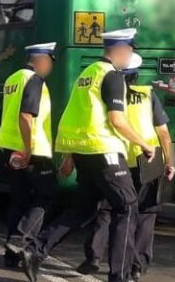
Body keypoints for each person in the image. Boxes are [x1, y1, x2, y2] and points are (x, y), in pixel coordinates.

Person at [20, 28, 156, 282]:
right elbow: (117, 119)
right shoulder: (113, 76)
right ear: (121, 50)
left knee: (82, 209)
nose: (130, 55)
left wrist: (71, 154)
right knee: (127, 207)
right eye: (130, 50)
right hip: (104, 150)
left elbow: (78, 114)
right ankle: (120, 276)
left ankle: (35, 250)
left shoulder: (88, 73)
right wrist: (145, 145)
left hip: (84, 151)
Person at [78, 53, 175, 281]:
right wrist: (169, 160)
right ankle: (137, 265)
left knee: (107, 209)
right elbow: (163, 132)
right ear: (137, 74)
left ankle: (94, 256)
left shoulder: (109, 95)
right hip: (147, 160)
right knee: (146, 213)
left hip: (118, 159)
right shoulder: (147, 94)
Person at [0, 42, 57, 268]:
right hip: (31, 150)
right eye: (51, 61)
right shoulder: (34, 80)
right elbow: (25, 116)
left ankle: (11, 255)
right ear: (41, 60)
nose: (51, 66)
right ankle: (20, 239)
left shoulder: (13, 78)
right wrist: (29, 149)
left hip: (9, 147)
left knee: (19, 200)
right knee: (48, 194)